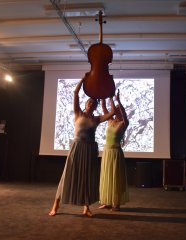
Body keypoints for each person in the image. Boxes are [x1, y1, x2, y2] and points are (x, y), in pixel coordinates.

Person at [48, 77, 115, 217]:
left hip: (89, 149)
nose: (91, 104)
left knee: (87, 178)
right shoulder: (78, 113)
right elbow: (75, 93)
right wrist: (84, 79)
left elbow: (112, 113)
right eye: (89, 102)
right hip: (77, 147)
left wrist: (108, 97)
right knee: (67, 175)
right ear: (86, 104)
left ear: (95, 106)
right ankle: (55, 205)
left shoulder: (96, 119)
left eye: (93, 103)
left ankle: (86, 208)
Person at [98, 90, 130, 211]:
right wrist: (104, 95)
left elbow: (124, 115)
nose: (116, 111)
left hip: (116, 153)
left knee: (115, 178)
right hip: (107, 152)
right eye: (115, 110)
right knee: (107, 176)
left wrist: (117, 100)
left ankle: (116, 203)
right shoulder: (110, 121)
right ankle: (107, 201)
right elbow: (103, 107)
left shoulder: (124, 123)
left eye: (118, 110)